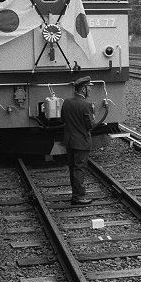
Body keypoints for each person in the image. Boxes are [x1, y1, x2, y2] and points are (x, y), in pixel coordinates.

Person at [61, 76, 95, 205]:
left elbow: (62, 119)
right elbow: (90, 125)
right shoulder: (86, 105)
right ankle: (78, 196)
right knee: (79, 169)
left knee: (73, 168)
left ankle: (75, 194)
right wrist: (94, 116)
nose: (91, 90)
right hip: (82, 143)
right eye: (89, 88)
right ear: (83, 89)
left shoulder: (67, 102)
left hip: (70, 142)